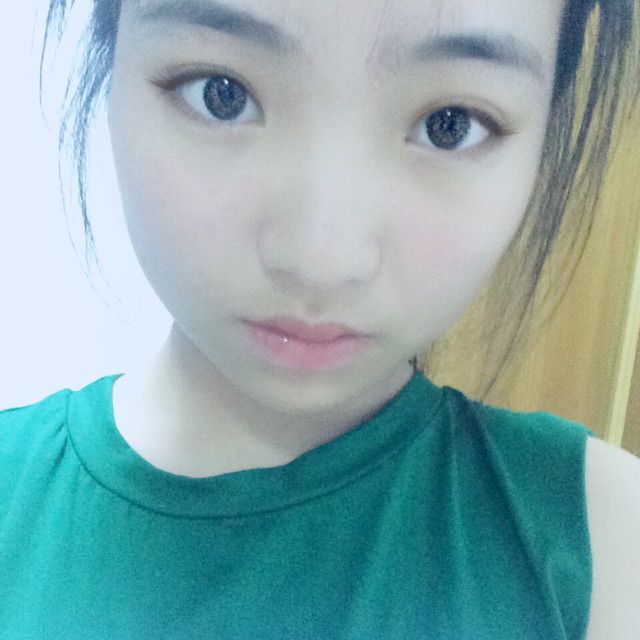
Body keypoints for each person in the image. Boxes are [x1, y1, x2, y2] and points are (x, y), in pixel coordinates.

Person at [1, 0, 639, 637]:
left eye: (450, 125)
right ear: (109, 57)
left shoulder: (608, 542)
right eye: (222, 95)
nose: (321, 260)